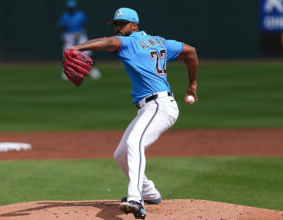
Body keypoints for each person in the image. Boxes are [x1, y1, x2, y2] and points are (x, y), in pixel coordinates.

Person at [70, 7, 198, 219]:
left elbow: (108, 42)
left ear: (135, 26)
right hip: (153, 107)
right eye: (116, 25)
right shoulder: (160, 41)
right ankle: (150, 193)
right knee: (120, 154)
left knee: (134, 143)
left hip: (160, 105)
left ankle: (135, 199)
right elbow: (191, 51)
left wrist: (77, 47)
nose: (118, 29)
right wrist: (192, 84)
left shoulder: (129, 42)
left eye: (122, 24)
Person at [58, 0, 101, 80]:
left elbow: (85, 25)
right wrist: (63, 37)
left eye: (72, 8)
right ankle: (66, 71)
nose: (71, 9)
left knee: (88, 52)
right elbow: (61, 28)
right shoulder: (64, 16)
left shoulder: (80, 15)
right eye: (70, 8)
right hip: (69, 35)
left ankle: (93, 69)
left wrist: (82, 33)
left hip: (80, 34)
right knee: (66, 52)